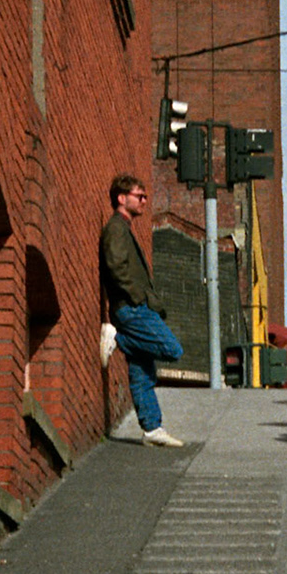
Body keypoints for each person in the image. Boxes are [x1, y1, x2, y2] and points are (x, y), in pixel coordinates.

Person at [100, 173, 187, 448]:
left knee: (142, 373)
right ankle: (117, 339)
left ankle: (152, 428)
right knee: (172, 349)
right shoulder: (116, 228)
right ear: (121, 198)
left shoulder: (124, 228)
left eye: (145, 196)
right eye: (140, 195)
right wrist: (137, 297)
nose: (145, 201)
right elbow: (115, 267)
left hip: (133, 307)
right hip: (132, 309)